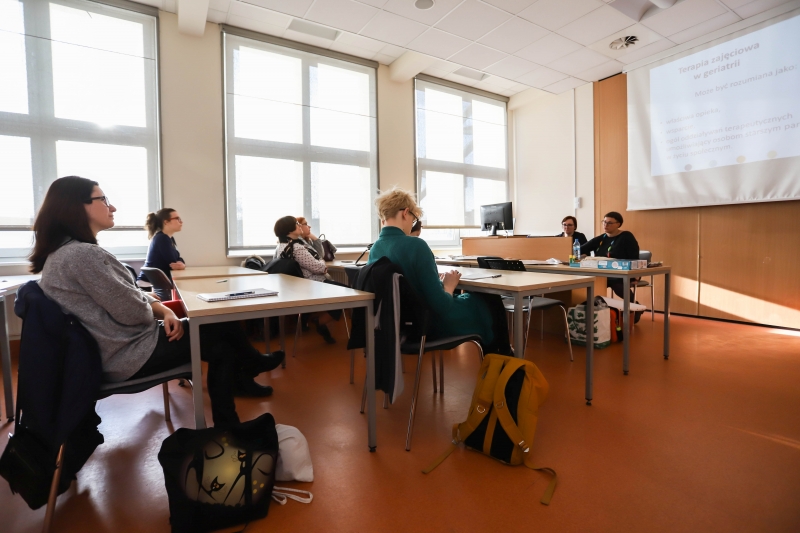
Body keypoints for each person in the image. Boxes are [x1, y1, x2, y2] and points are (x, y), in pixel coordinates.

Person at [31, 177, 284, 427]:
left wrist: (159, 308)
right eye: (103, 199)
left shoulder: (66, 252)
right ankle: (240, 395)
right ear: (77, 206)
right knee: (220, 332)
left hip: (115, 347)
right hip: (126, 353)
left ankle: (241, 392)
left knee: (220, 336)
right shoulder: (83, 255)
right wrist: (158, 309)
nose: (112, 207)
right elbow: (133, 313)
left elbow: (129, 296)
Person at [367, 187, 511, 354]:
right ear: (406, 213)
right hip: (433, 324)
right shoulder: (416, 246)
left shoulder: (375, 249)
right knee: (490, 298)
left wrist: (437, 283)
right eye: (413, 218)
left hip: (402, 327)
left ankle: (498, 355)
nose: (412, 224)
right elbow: (441, 305)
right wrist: (448, 285)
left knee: (479, 299)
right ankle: (502, 356)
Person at [274, 216, 340, 344]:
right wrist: (322, 262)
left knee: (342, 291)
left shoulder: (280, 247)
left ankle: (320, 323)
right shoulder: (296, 247)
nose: (299, 225)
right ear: (289, 230)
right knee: (348, 292)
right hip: (313, 285)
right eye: (297, 224)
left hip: (296, 288)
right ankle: (320, 322)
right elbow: (319, 267)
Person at [581, 211, 640, 302]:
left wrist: (637, 274)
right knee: (586, 280)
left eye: (609, 223)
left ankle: (635, 305)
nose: (606, 225)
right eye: (604, 222)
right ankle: (592, 306)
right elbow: (580, 249)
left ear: (618, 224)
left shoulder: (626, 236)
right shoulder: (602, 238)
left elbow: (634, 257)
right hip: (602, 272)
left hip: (623, 272)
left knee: (613, 281)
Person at [137, 207, 185, 300]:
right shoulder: (162, 238)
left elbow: (178, 258)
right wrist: (181, 263)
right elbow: (173, 262)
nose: (181, 221)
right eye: (177, 219)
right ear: (166, 222)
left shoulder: (169, 238)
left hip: (157, 284)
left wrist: (181, 263)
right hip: (148, 286)